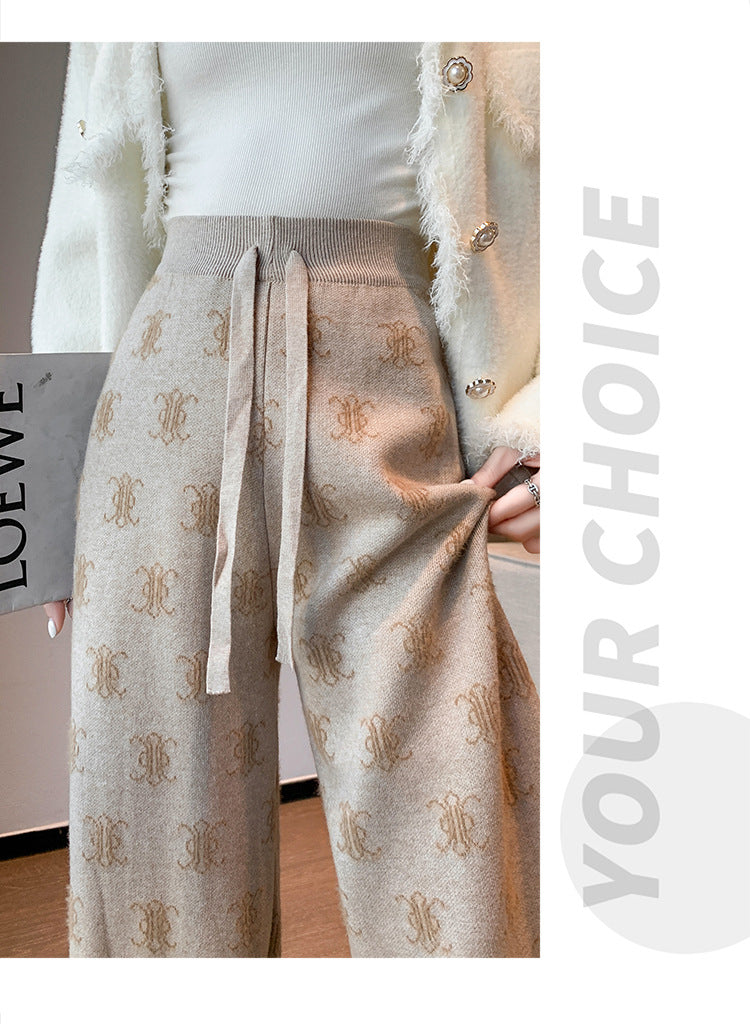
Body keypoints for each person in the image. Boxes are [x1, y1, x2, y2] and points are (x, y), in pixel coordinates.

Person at [34, 41, 540, 958]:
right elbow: (87, 208)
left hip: (392, 389)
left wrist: (544, 430)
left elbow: (550, 191)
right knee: (157, 822)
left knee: (451, 813)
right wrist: (48, 501)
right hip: (168, 388)